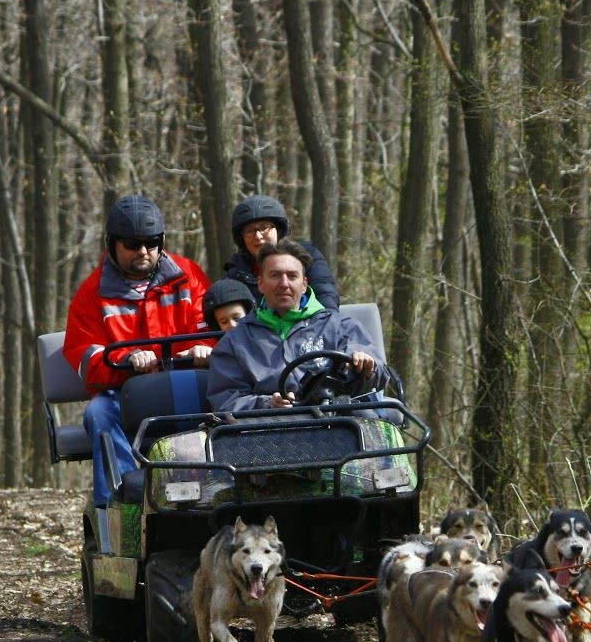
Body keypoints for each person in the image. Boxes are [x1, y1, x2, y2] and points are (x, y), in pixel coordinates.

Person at [63, 194, 210, 506]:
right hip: (124, 391)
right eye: (132, 244)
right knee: (100, 412)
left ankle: (203, 498)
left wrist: (203, 348)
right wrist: (125, 361)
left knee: (220, 402)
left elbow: (211, 325)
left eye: (152, 242)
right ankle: (123, 503)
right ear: (113, 244)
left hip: (183, 383)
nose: (143, 251)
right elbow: (84, 356)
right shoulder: (93, 294)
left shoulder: (189, 277)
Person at [207, 238, 380, 412]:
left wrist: (366, 369)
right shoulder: (234, 341)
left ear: (304, 284)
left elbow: (378, 376)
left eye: (292, 276)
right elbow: (225, 400)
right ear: (260, 284)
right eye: (275, 275)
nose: (284, 284)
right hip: (266, 430)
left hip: (339, 423)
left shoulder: (340, 327)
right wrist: (266, 404)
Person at [219, 194, 340, 311]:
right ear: (242, 238)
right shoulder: (236, 273)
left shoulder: (306, 257)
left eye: (264, 227)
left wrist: (318, 327)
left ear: (279, 230)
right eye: (250, 231)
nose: (258, 236)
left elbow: (326, 298)